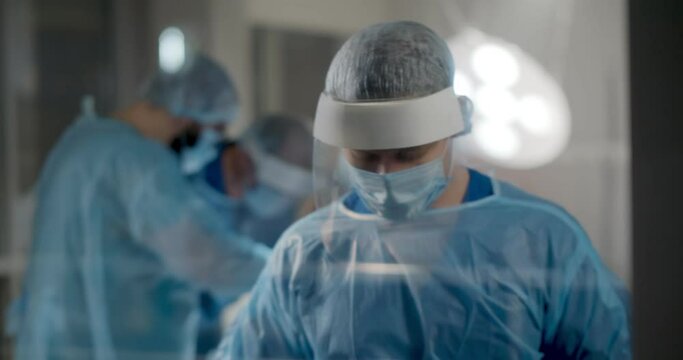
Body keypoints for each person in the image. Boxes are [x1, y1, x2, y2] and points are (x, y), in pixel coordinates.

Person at [214, 21, 631, 359]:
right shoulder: (305, 254)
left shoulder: (541, 238)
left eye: (408, 155)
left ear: (456, 125)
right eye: (364, 156)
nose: (385, 175)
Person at [9, 54, 270, 359]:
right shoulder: (142, 163)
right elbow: (203, 256)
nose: (213, 145)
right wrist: (282, 264)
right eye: (216, 130)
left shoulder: (79, 143)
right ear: (186, 118)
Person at [193, 114, 314, 355]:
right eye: (268, 187)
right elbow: (216, 262)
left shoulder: (274, 220)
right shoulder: (188, 186)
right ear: (249, 158)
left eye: (285, 196)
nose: (277, 201)